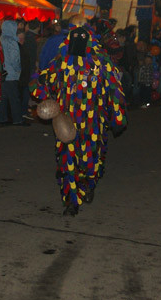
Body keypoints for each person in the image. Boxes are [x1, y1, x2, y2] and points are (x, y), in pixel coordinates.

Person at [32, 25, 127, 216]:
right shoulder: (60, 62)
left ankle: (89, 183)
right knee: (67, 160)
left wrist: (118, 117)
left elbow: (115, 91)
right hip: (66, 121)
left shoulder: (102, 63)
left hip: (93, 123)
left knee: (89, 161)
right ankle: (71, 200)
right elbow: (39, 82)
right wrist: (44, 96)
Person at [0, 19, 25, 126]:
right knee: (14, 98)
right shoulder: (12, 41)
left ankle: (2, 117)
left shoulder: (0, 39)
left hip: (3, 73)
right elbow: (15, 59)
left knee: (4, 98)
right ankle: (17, 119)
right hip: (11, 73)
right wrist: (18, 69)